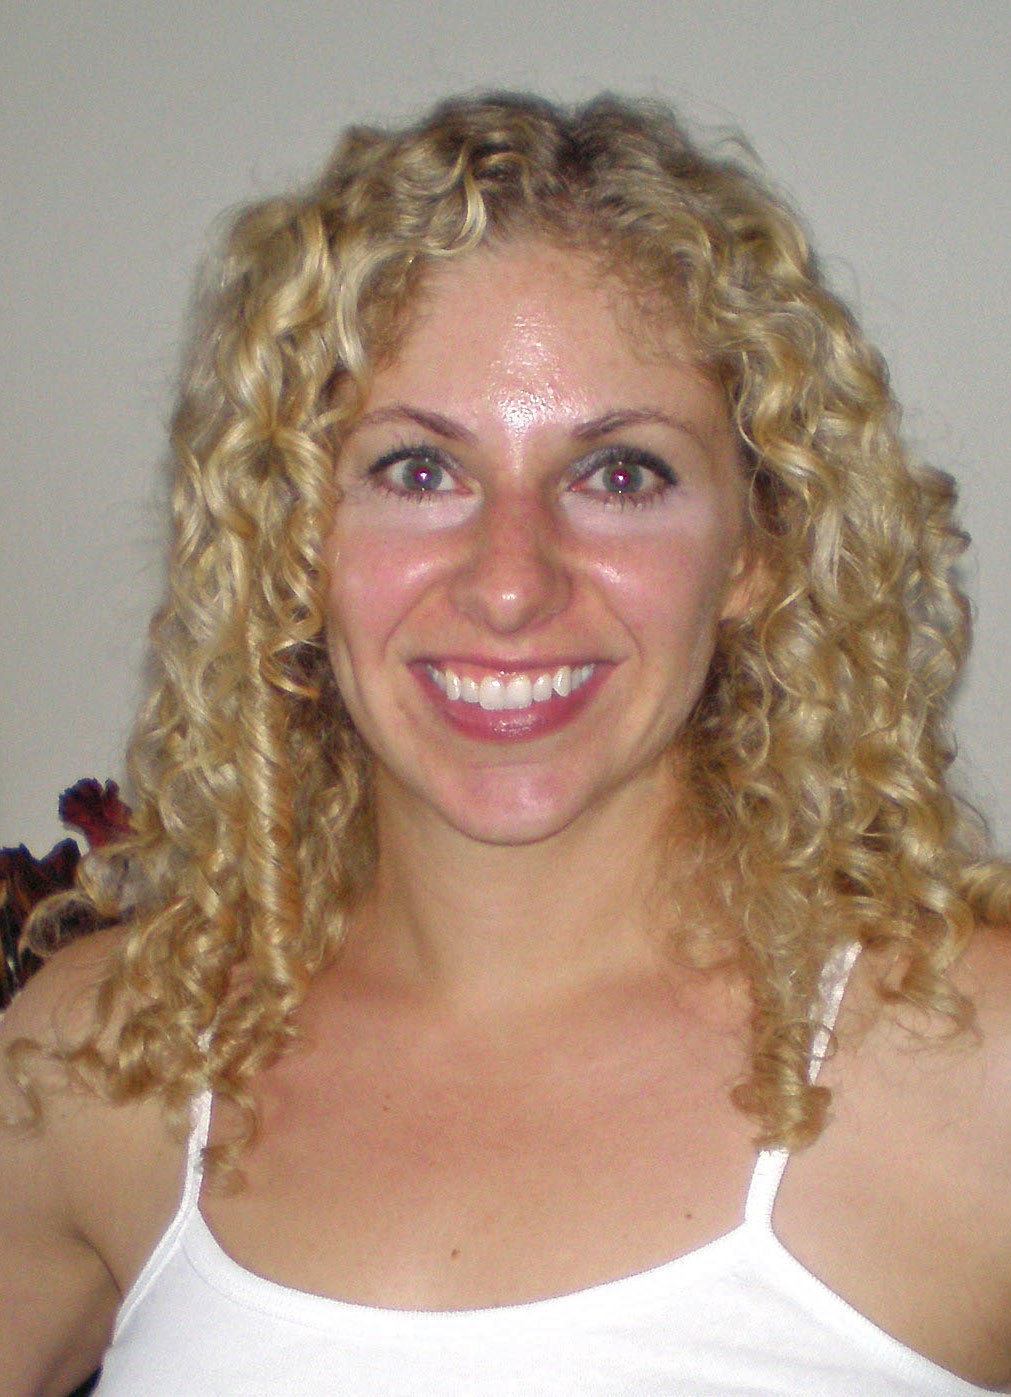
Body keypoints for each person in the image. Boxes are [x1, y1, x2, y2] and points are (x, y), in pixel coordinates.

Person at [2, 91, 1010, 1396]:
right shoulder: (103, 1062)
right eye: (418, 471)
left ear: (757, 548)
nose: (512, 582)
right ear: (291, 543)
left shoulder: (976, 1072)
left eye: (621, 473)